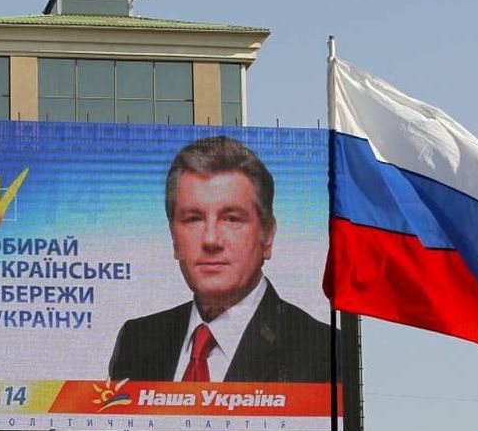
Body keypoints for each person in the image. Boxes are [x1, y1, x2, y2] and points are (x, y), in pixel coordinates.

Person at [109, 136, 331, 383]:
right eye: (193, 219)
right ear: (174, 238)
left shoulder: (323, 351)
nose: (211, 240)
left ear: (267, 236)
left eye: (231, 219)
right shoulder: (137, 340)